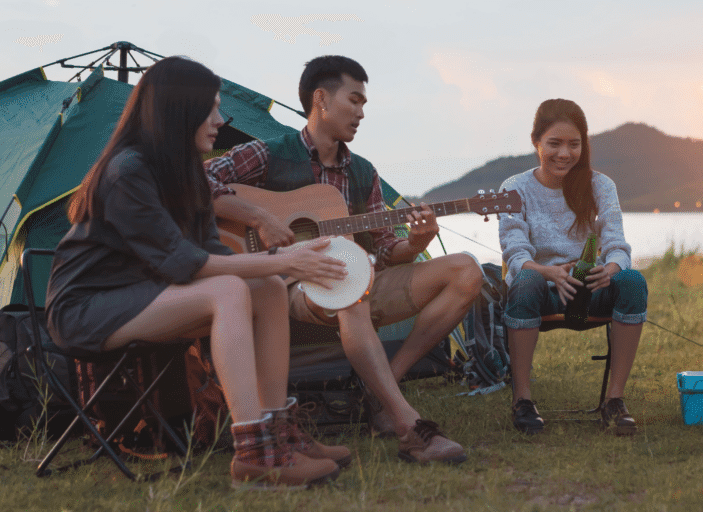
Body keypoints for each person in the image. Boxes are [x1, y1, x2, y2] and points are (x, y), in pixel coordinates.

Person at [45, 56, 351, 490]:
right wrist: (286, 260)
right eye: (210, 109)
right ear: (178, 111)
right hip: (87, 309)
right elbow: (187, 265)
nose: (221, 120)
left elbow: (205, 250)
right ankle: (254, 453)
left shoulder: (189, 173)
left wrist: (281, 262)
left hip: (145, 295)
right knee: (227, 290)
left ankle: (281, 433)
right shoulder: (127, 171)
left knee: (265, 287)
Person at [204, 55, 478, 464]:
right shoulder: (268, 154)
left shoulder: (363, 172)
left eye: (364, 104)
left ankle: (385, 391)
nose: (362, 113)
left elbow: (386, 250)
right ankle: (409, 427)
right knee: (348, 283)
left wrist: (417, 243)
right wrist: (259, 217)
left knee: (466, 270)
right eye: (355, 100)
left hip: (349, 286)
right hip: (285, 287)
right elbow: (197, 182)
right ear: (321, 99)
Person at [498, 98, 648, 436]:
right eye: (554, 143)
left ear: (584, 144)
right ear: (536, 142)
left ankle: (615, 400)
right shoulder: (514, 188)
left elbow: (616, 244)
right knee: (524, 279)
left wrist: (610, 268)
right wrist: (546, 271)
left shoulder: (600, 185)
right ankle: (522, 400)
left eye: (574, 144)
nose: (564, 153)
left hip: (588, 292)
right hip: (541, 293)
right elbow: (515, 251)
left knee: (632, 280)